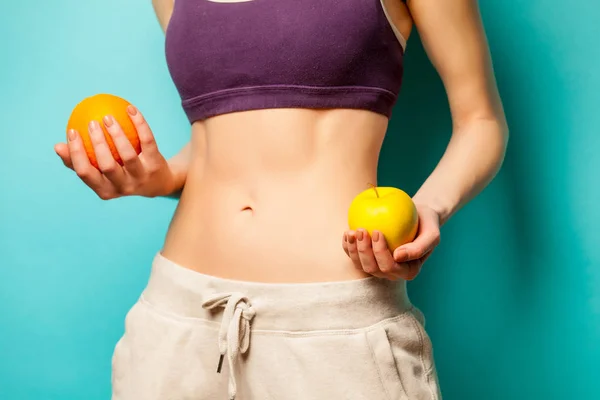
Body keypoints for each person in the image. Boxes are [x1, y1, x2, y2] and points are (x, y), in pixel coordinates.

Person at [55, 0, 508, 398]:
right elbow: (226, 137)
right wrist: (157, 177)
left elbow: (481, 121)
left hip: (330, 324)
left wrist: (427, 208)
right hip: (180, 317)